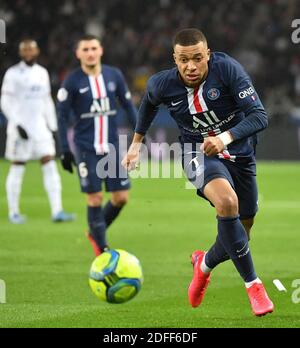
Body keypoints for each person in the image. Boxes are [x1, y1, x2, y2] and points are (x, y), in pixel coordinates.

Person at [122, 28, 274, 316]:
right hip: (197, 152)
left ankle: (203, 264)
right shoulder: (161, 84)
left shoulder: (228, 70)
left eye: (196, 58)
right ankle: (254, 286)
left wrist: (224, 138)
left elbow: (259, 116)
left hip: (240, 153)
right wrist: (135, 144)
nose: (190, 66)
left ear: (208, 55)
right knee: (227, 203)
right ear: (174, 59)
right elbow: (148, 104)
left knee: (242, 232)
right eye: (183, 60)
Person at [57, 34, 137, 256]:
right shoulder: (72, 81)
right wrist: (64, 149)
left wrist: (140, 132)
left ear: (101, 50)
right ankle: (102, 249)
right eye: (85, 49)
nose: (90, 53)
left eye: (93, 48)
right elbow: (61, 117)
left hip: (111, 147)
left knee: (121, 197)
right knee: (95, 197)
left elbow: (128, 105)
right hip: (86, 148)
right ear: (78, 54)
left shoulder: (114, 75)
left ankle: (95, 231)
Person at [1, 39, 75, 224]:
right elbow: (5, 101)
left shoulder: (42, 73)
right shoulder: (13, 74)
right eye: (25, 50)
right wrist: (16, 123)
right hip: (20, 129)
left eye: (31, 49)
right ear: (20, 53)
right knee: (17, 167)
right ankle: (13, 212)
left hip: (40, 128)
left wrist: (53, 126)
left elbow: (46, 101)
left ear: (37, 51)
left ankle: (57, 211)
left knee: (50, 165)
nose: (28, 53)